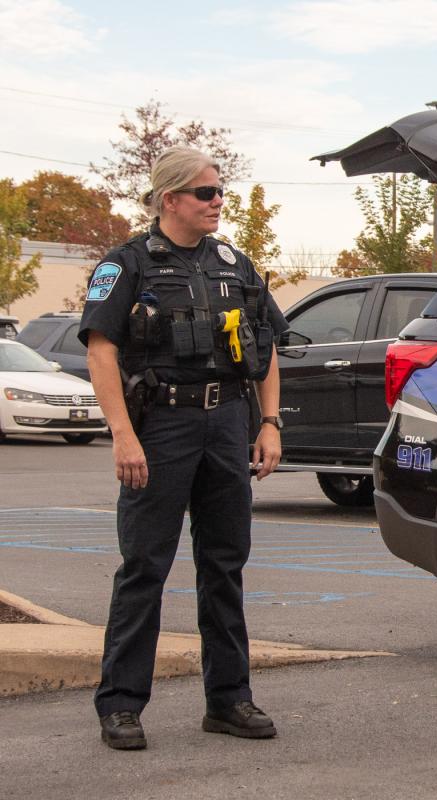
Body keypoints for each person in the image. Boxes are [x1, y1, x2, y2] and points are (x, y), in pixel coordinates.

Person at [79, 146, 289, 750]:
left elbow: (266, 345)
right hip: (161, 427)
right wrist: (122, 433)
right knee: (145, 566)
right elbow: (101, 351)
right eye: (206, 192)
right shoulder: (128, 265)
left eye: (220, 191)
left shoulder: (234, 262)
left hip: (226, 423)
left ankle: (228, 700)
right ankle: (120, 705)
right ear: (170, 199)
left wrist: (269, 423)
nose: (218, 201)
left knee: (224, 563)